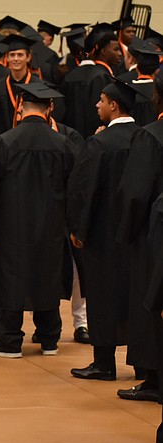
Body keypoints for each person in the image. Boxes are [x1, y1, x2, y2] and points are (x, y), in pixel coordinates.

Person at [0, 83, 75, 358]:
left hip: (12, 225)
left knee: (11, 277)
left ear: (20, 106)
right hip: (52, 225)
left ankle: (10, 340)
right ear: (50, 108)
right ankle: (49, 339)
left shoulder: (5, 141)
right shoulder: (63, 143)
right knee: (47, 275)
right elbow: (74, 188)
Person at [68, 77, 144, 382]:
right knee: (137, 296)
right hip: (140, 233)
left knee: (102, 295)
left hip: (103, 233)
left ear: (113, 105)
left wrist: (78, 229)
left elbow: (84, 190)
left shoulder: (99, 143)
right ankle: (144, 365)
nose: (96, 105)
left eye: (101, 100)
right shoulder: (145, 137)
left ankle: (104, 363)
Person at [113, 73, 163, 403]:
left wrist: (126, 234)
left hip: (154, 234)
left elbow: (135, 194)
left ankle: (154, 381)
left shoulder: (151, 136)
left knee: (151, 304)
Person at [62, 23, 122, 138]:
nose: (120, 54)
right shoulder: (101, 77)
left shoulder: (70, 76)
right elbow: (97, 115)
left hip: (71, 137)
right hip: (94, 137)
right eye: (115, 49)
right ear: (103, 51)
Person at [0, 34, 40, 133]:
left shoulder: (39, 86)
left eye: (20, 55)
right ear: (7, 58)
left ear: (28, 57)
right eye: (12, 55)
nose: (16, 59)